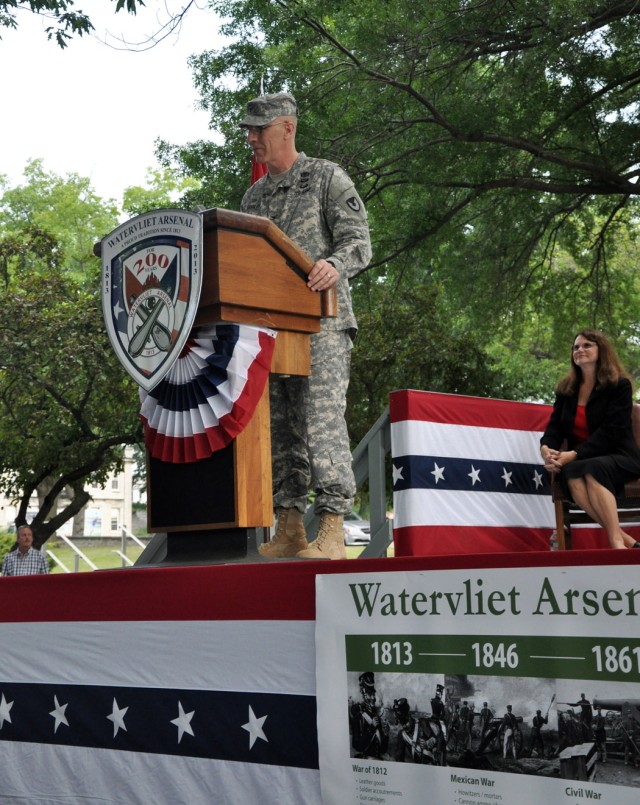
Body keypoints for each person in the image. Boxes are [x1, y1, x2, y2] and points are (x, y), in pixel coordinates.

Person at [239, 92, 372, 560]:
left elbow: (359, 242)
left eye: (260, 129)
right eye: (249, 130)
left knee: (319, 421)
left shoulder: (325, 177)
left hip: (324, 325)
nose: (252, 138)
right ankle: (290, 525)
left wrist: (334, 264)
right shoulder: (253, 196)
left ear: (288, 128)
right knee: (281, 427)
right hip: (272, 329)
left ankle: (333, 526)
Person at [540, 328, 640, 549]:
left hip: (620, 455)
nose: (580, 350)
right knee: (571, 473)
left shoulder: (619, 385)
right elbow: (555, 426)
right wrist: (546, 448)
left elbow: (612, 431)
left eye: (587, 345)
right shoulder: (566, 389)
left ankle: (616, 542)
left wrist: (573, 454)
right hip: (584, 459)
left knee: (590, 469)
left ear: (601, 350)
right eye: (576, 347)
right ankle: (627, 542)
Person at [349, 672, 389, 759]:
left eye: (373, 694)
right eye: (369, 694)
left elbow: (383, 749)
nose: (373, 698)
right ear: (364, 695)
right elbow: (357, 746)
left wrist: (386, 734)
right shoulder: (358, 718)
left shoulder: (376, 717)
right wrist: (371, 728)